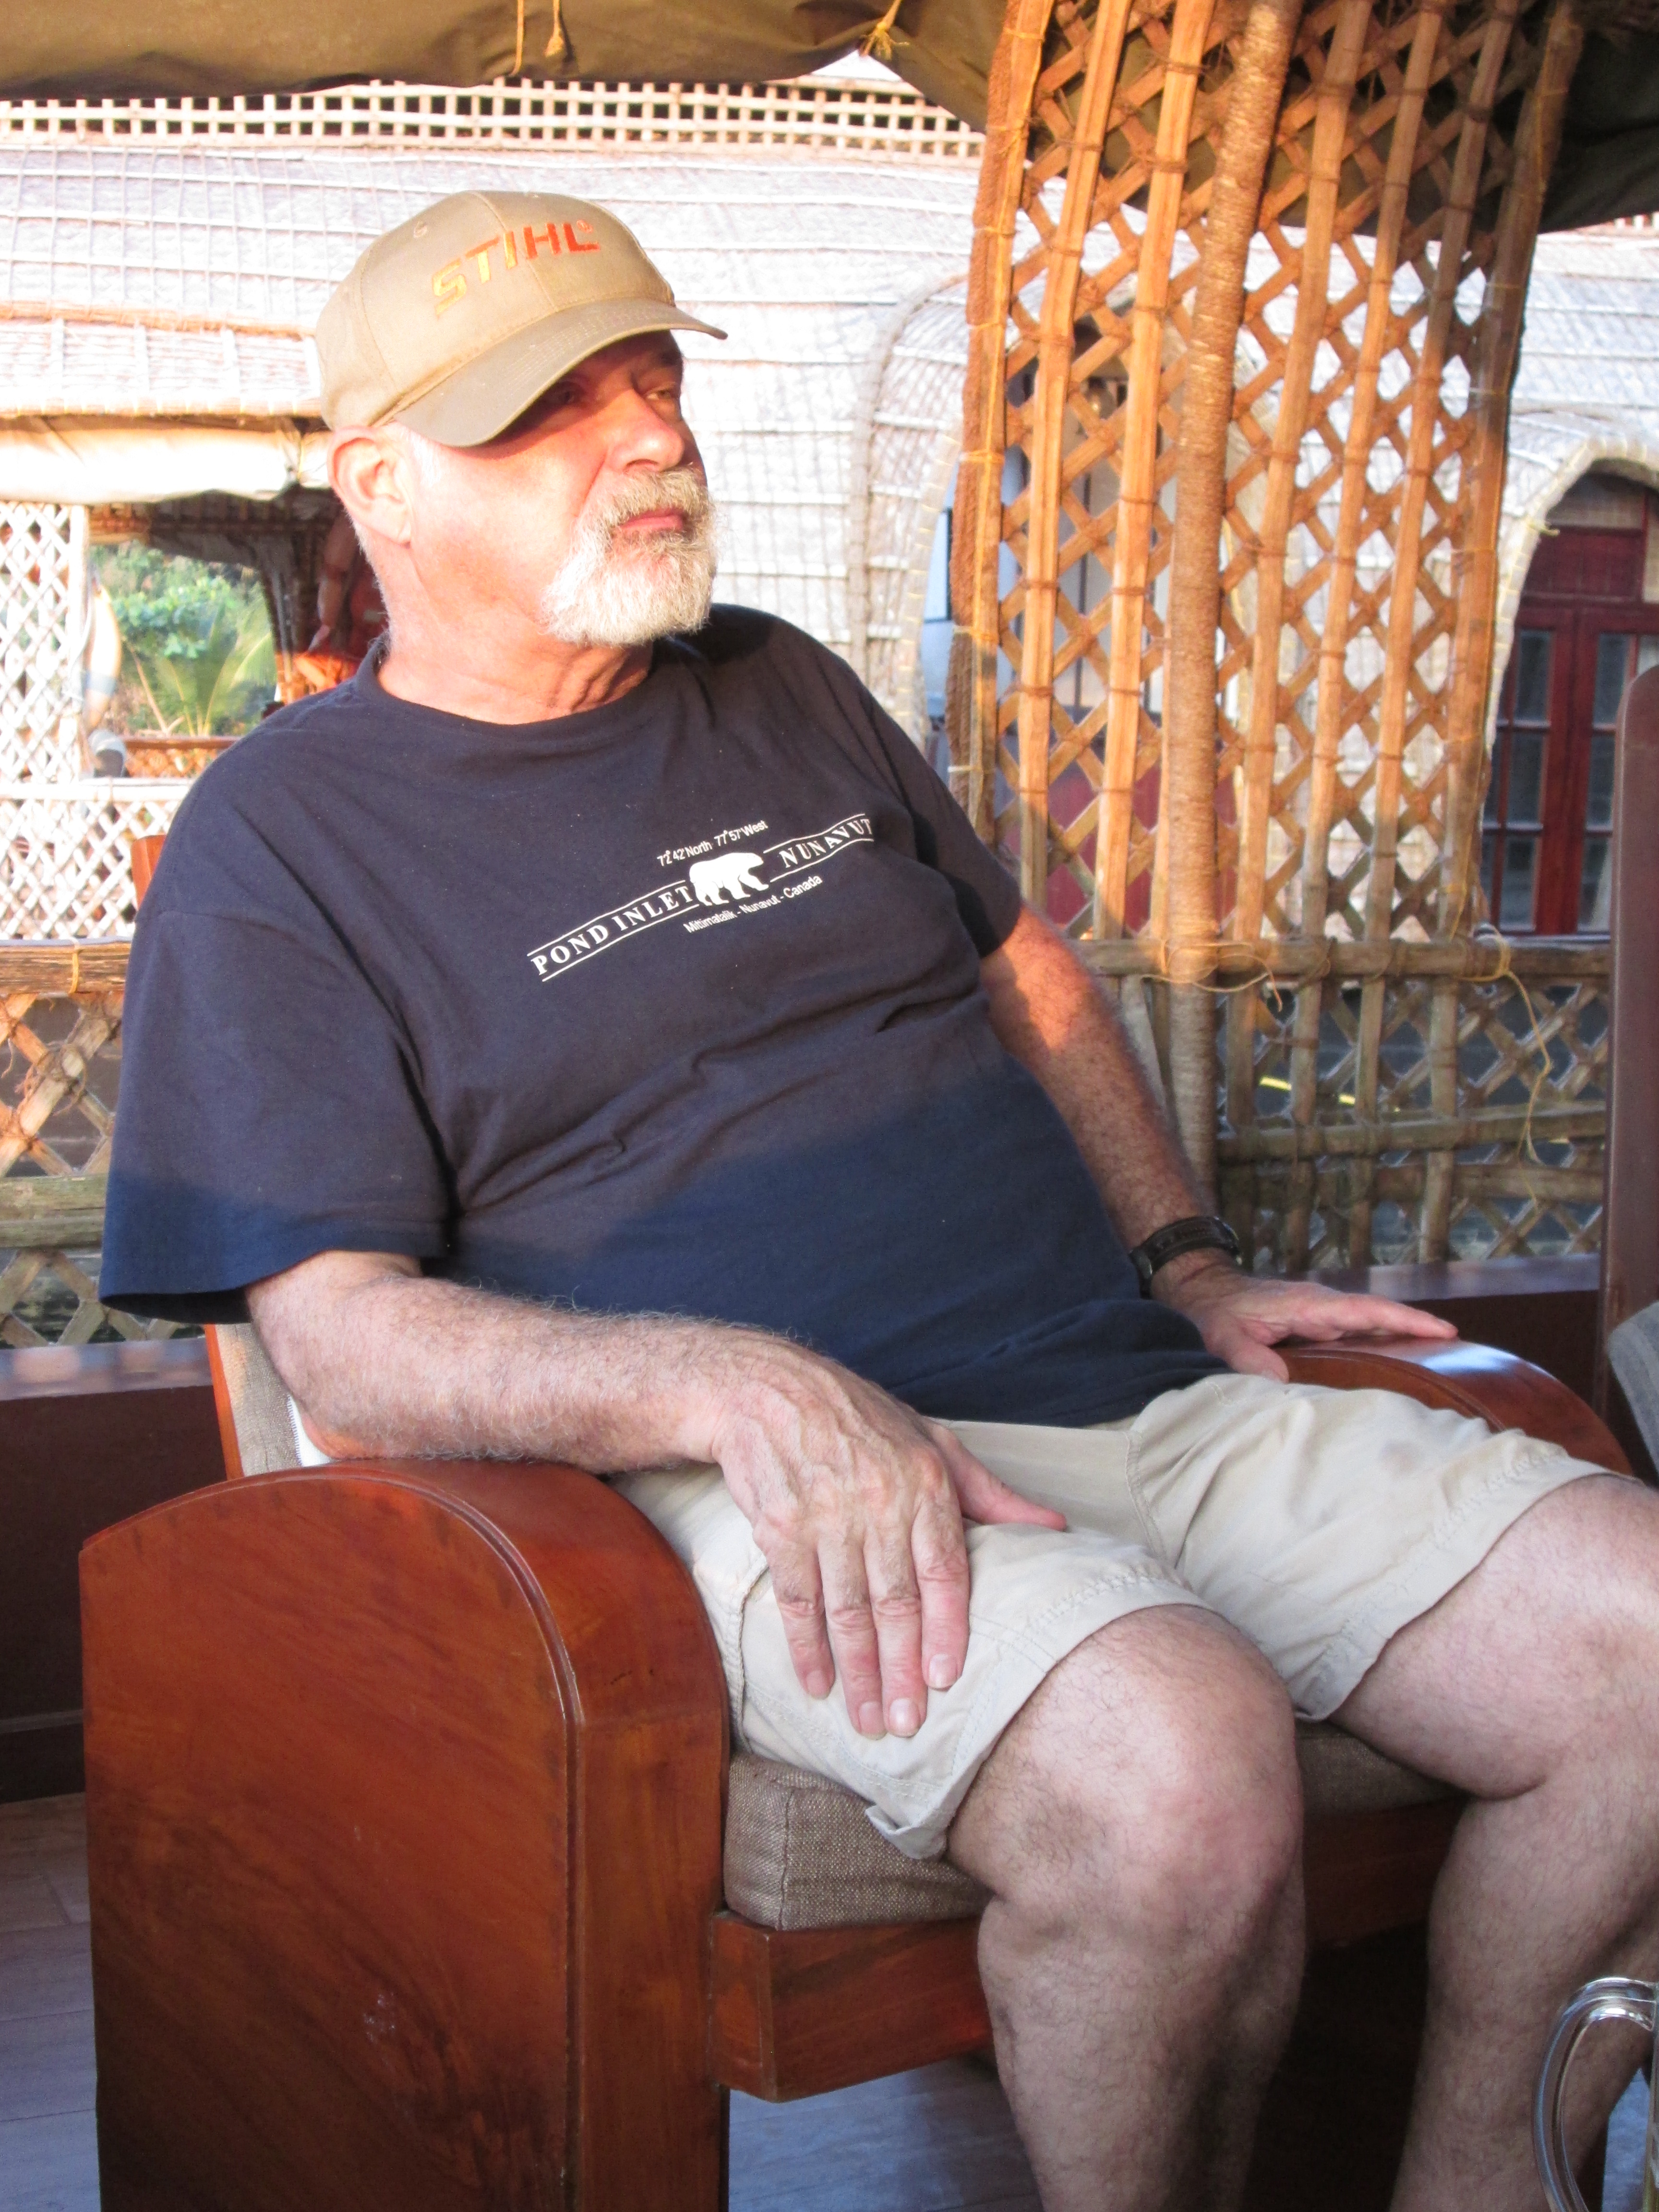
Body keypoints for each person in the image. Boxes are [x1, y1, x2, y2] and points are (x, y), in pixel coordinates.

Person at [101, 190, 1659, 2212]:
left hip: (1126, 1387)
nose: (649, 433)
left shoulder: (781, 682)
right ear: (382, 486)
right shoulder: (284, 841)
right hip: (728, 1487)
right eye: (551, 409)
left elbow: (1029, 977)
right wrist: (738, 1386)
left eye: (650, 377)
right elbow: (340, 1340)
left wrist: (1187, 1259)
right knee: (1172, 1759)